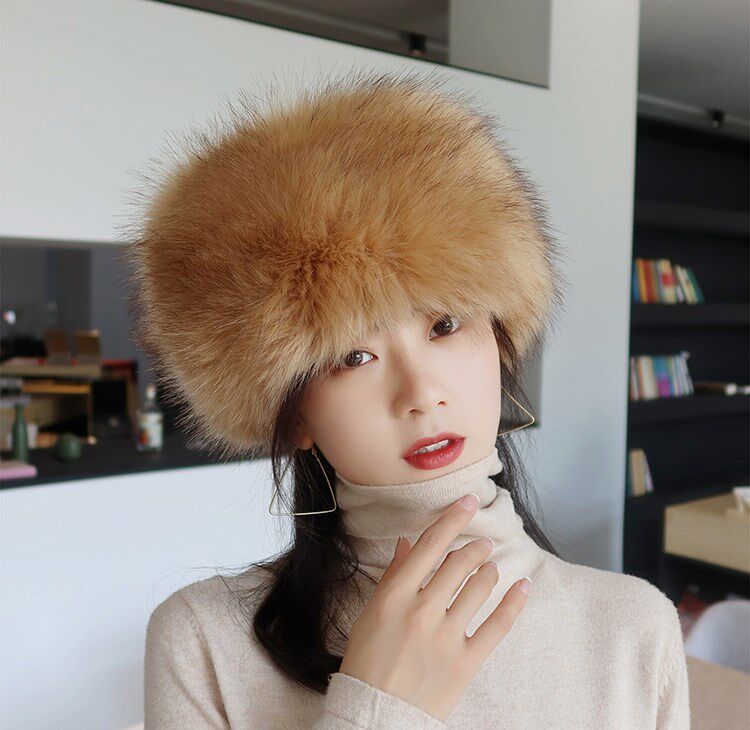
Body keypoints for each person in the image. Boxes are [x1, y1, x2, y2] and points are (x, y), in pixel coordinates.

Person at [123, 66, 691, 728]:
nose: (421, 394)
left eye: (444, 325)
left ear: (501, 342)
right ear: (294, 413)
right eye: (352, 357)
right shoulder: (203, 643)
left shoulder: (631, 628)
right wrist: (381, 706)